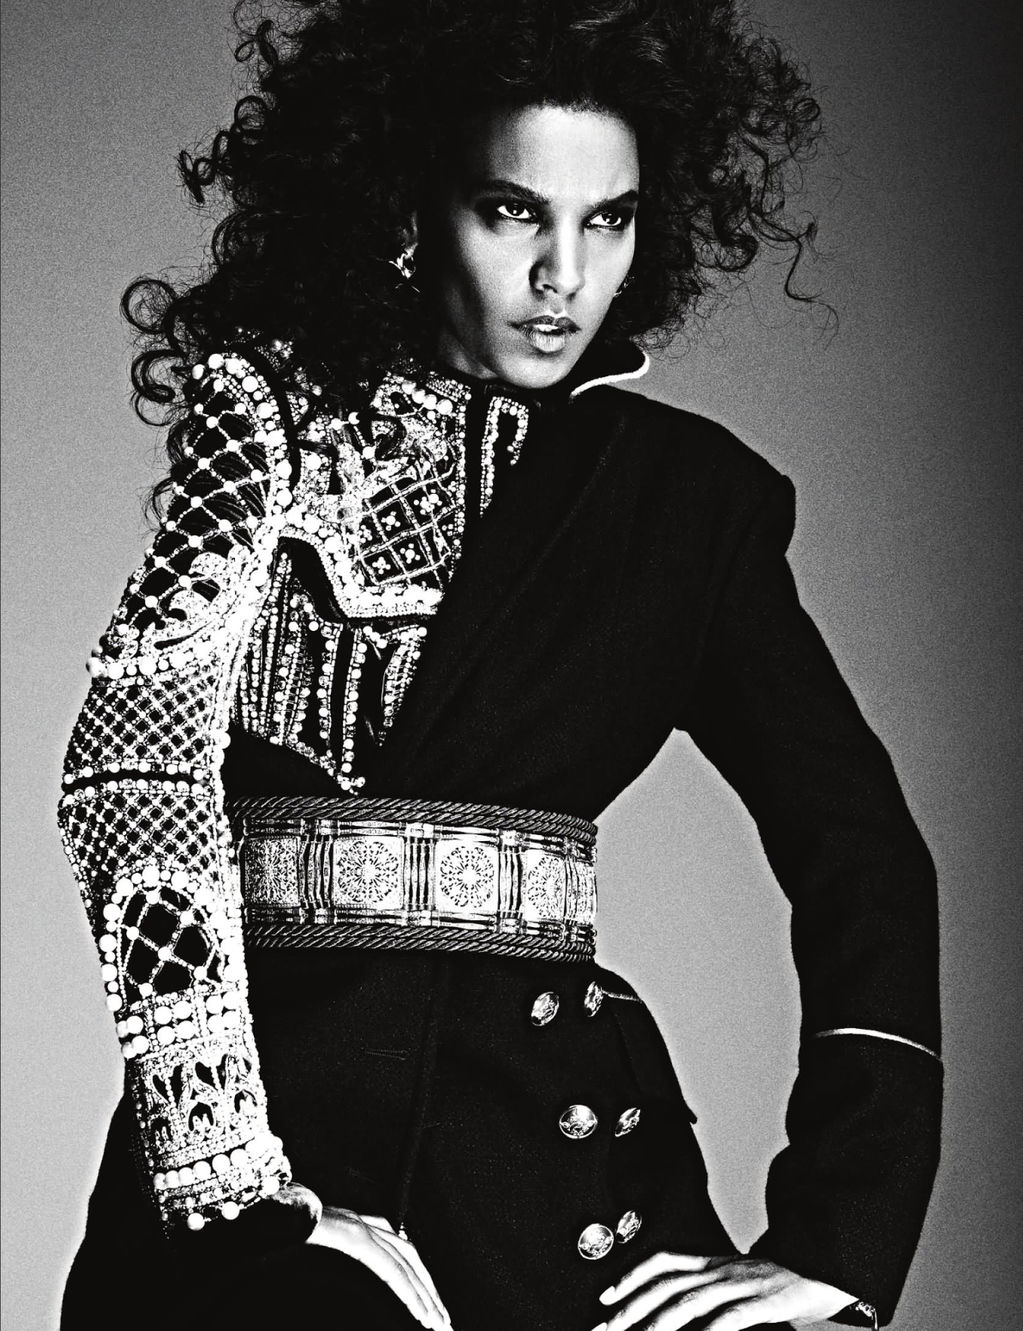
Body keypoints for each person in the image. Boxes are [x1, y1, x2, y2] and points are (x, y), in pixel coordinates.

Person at [56, 3, 942, 1329]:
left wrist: (842, 1234)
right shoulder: (270, 420)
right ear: (413, 210)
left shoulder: (686, 505)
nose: (563, 275)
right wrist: (236, 1181)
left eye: (608, 221)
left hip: (562, 1173)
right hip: (273, 1159)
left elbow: (860, 851)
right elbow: (131, 768)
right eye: (514, 212)